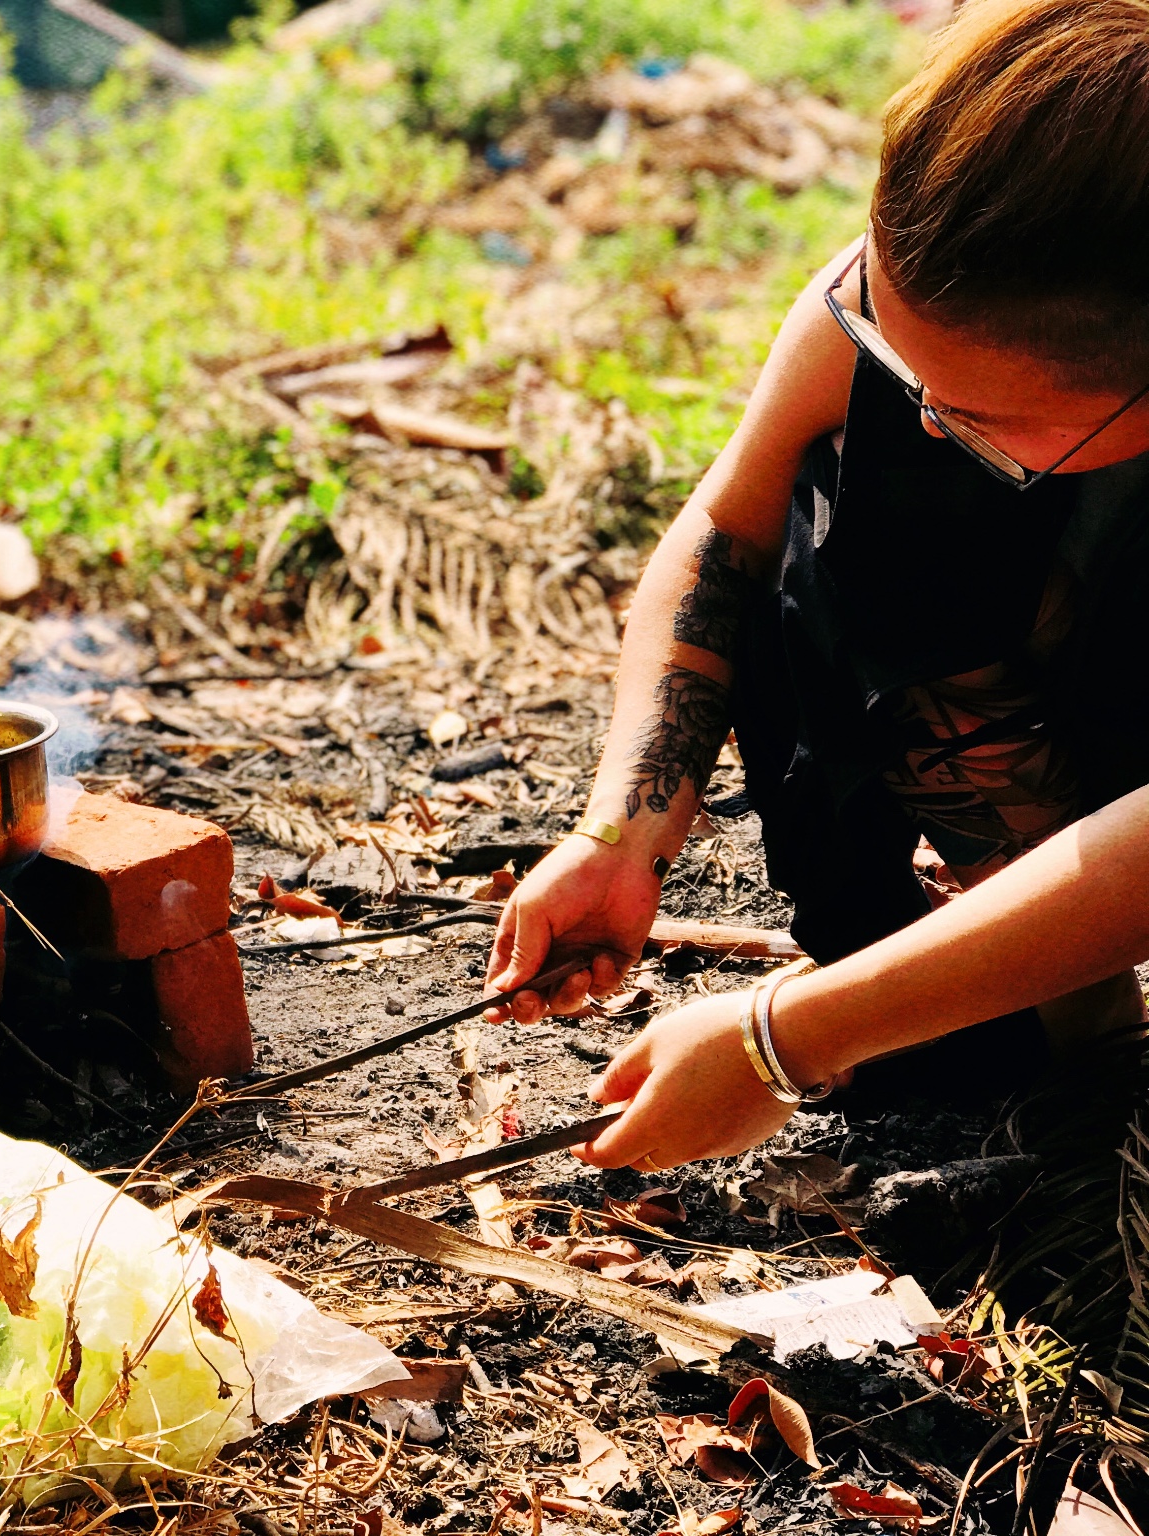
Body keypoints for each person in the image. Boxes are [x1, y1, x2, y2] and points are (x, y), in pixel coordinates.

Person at [485, 0, 1149, 1174]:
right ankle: (1050, 999)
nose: (927, 420)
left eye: (981, 419)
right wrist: (621, 834)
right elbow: (724, 536)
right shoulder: (931, 277)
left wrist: (778, 1043)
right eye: (902, 359)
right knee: (844, 498)